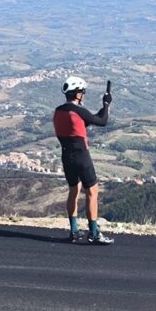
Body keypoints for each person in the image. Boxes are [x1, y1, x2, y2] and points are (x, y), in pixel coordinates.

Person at [53, 76, 114, 245]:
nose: (84, 95)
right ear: (77, 94)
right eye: (82, 92)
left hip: (67, 157)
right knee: (92, 193)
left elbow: (84, 122)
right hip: (82, 157)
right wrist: (107, 104)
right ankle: (94, 232)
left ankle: (74, 231)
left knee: (74, 191)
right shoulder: (79, 110)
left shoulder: (59, 111)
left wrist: (103, 107)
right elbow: (102, 121)